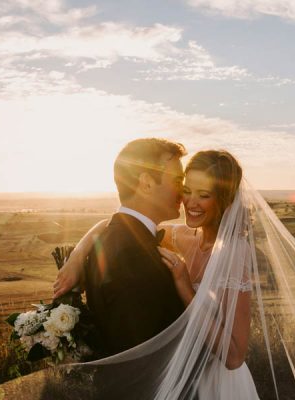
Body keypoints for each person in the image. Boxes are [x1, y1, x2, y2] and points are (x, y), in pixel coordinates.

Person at [54, 149, 260, 399]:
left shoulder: (234, 253)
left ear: (224, 199)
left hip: (217, 383)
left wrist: (185, 288)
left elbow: (235, 356)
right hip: (177, 377)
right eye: (187, 190)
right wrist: (77, 256)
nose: (190, 203)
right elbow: (122, 224)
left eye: (203, 195)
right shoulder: (184, 236)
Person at [54, 138, 186, 358]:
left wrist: (78, 254)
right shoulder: (131, 255)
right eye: (177, 180)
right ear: (147, 183)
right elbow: (141, 353)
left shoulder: (114, 236)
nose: (184, 191)